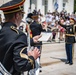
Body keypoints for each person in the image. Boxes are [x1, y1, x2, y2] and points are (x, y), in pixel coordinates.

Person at [0, 0, 41, 75]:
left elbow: (8, 42)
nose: (22, 18)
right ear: (17, 16)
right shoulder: (19, 35)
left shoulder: (2, 31)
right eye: (21, 15)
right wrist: (33, 57)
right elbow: (21, 66)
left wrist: (31, 40)